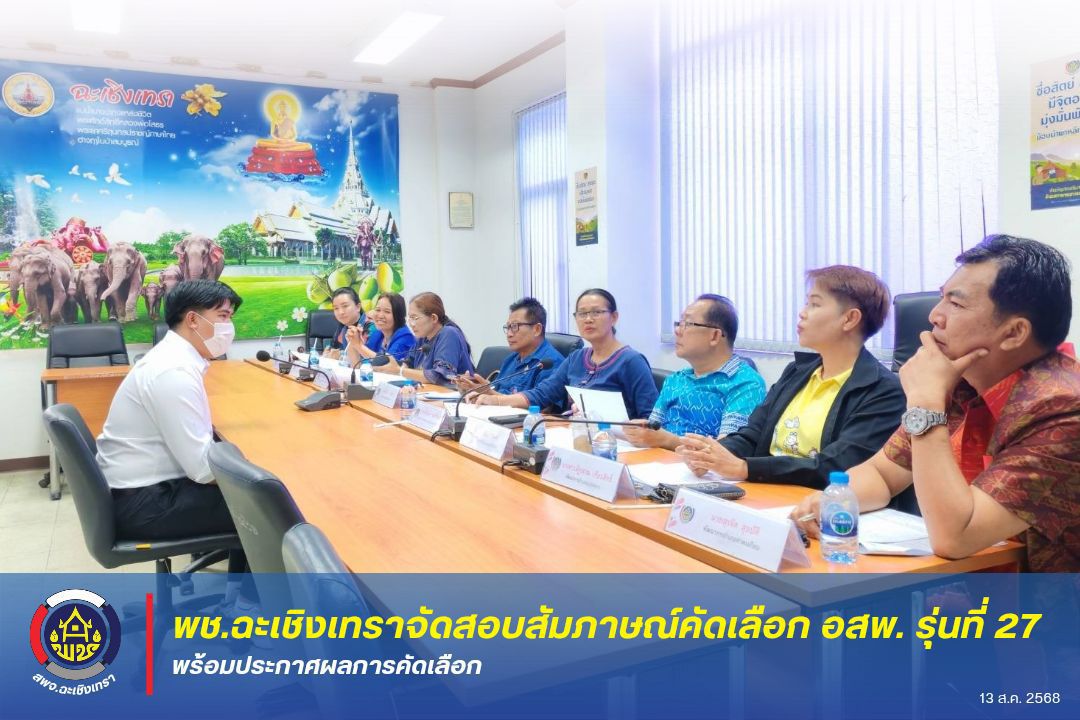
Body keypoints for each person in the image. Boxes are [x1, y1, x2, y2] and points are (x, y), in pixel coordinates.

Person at [792, 236, 1080, 571]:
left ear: (1014, 333)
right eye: (942, 297)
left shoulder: (1064, 410)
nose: (934, 315)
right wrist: (835, 501)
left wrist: (925, 404)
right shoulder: (959, 380)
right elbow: (882, 474)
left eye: (955, 304)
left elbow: (957, 537)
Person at [677, 266, 905, 488]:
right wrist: (710, 454)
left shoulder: (883, 390)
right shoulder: (797, 371)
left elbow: (838, 465)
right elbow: (752, 434)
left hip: (820, 502)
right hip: (764, 492)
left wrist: (745, 468)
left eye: (815, 304)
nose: (802, 313)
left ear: (849, 319)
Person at [97, 279, 242, 540]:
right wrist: (263, 467)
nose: (228, 326)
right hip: (145, 503)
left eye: (230, 317)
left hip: (143, 488)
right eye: (222, 316)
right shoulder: (172, 371)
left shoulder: (174, 358)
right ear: (193, 320)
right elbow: (203, 470)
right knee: (274, 503)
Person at [476, 289, 658, 418]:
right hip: (577, 438)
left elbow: (651, 419)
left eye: (596, 312)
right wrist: (496, 400)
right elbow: (541, 394)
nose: (588, 319)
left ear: (614, 317)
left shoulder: (631, 361)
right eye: (582, 314)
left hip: (617, 445)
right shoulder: (576, 359)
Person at [623, 295, 766, 450]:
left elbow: (728, 451)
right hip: (656, 461)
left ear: (714, 336)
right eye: (679, 323)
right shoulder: (676, 379)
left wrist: (669, 441)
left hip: (700, 466)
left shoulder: (746, 384)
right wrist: (641, 432)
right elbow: (654, 429)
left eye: (687, 324)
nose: (677, 331)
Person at [456, 297, 565, 397]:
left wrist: (490, 395)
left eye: (514, 326)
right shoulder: (511, 360)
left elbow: (542, 407)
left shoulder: (551, 363)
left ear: (536, 329)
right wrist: (471, 389)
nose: (509, 334)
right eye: (508, 327)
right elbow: (494, 391)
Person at [378, 292, 474, 385]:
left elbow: (439, 376)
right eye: (409, 318)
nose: (411, 324)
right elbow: (409, 363)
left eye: (414, 318)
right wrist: (396, 367)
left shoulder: (449, 334)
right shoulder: (422, 337)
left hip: (456, 393)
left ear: (433, 318)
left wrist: (399, 371)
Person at [346, 292, 416, 364]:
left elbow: (388, 366)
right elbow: (358, 365)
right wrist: (353, 341)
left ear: (398, 315)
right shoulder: (378, 334)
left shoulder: (405, 338)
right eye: (378, 310)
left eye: (387, 311)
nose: (380, 315)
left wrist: (359, 345)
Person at [321, 287, 372, 361]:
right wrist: (328, 354)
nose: (341, 312)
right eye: (336, 308)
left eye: (345, 306)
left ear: (358, 307)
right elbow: (335, 349)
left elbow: (373, 360)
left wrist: (341, 356)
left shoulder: (371, 327)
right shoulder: (343, 327)